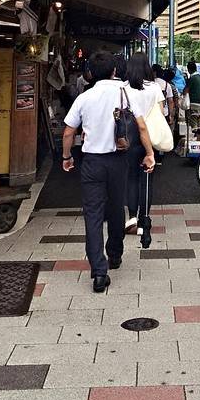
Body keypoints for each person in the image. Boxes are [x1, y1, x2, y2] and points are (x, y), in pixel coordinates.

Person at [62, 51, 155, 293]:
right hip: (118, 160)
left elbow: (68, 132)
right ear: (114, 71)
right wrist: (149, 153)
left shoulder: (84, 97)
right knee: (115, 208)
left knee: (92, 214)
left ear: (90, 73)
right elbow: (141, 127)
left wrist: (66, 157)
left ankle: (99, 272)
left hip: (92, 162)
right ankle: (114, 254)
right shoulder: (125, 93)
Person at [123, 52, 164, 235]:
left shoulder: (124, 88)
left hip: (130, 136)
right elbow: (161, 113)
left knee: (131, 177)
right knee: (147, 178)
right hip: (150, 135)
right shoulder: (154, 87)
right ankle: (143, 221)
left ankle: (132, 216)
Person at [184, 60, 200, 131]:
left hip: (192, 104)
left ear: (189, 69)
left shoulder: (192, 78)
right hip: (199, 103)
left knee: (193, 126)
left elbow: (186, 90)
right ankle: (198, 136)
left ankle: (195, 136)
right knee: (198, 125)